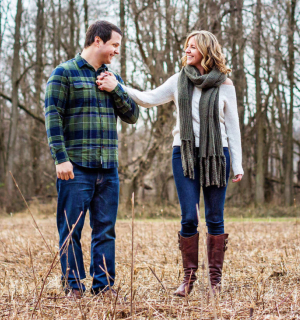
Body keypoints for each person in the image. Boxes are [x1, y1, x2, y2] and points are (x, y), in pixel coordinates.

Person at [100, 30, 242, 297]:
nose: (187, 51)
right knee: (189, 217)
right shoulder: (179, 80)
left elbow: (232, 126)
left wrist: (239, 164)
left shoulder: (224, 85)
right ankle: (188, 279)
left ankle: (215, 282)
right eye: (186, 47)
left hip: (217, 155)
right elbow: (148, 98)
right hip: (184, 154)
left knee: (215, 218)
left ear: (206, 51)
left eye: (192, 47)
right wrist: (118, 87)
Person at [44, 20, 139, 299]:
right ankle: (73, 286)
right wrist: (60, 159)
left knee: (105, 230)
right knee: (70, 230)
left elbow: (132, 116)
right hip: (76, 169)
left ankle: (104, 286)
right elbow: (52, 119)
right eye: (114, 45)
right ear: (98, 40)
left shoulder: (113, 78)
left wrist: (116, 90)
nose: (117, 51)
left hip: (108, 169)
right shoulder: (64, 73)